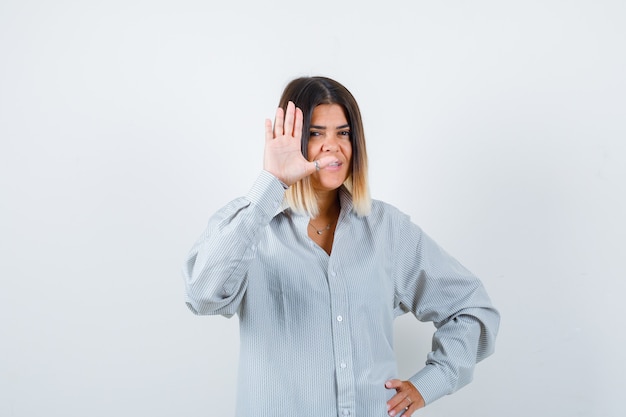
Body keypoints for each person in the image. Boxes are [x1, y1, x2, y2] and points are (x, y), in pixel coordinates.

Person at [182, 76, 499, 417]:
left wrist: (430, 383)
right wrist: (272, 183)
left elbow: (471, 307)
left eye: (343, 133)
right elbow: (202, 295)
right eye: (316, 133)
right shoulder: (251, 225)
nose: (332, 145)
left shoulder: (387, 229)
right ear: (294, 140)